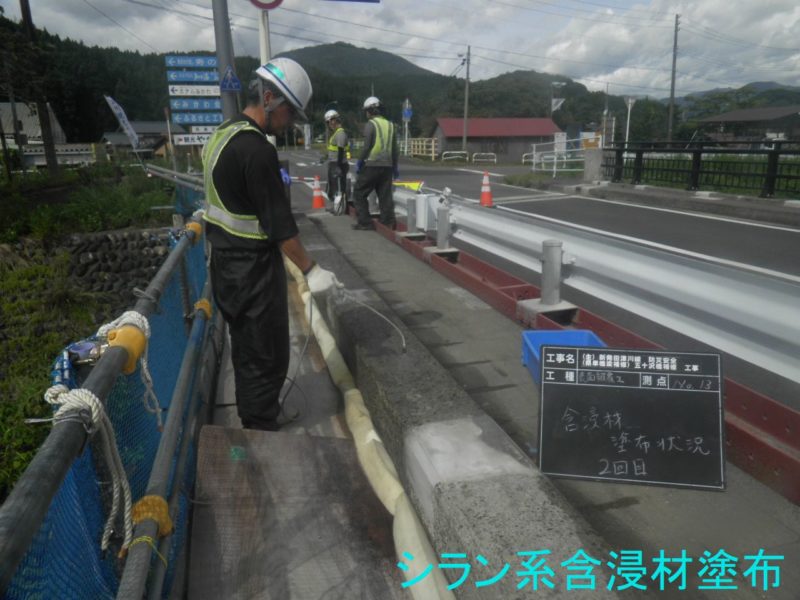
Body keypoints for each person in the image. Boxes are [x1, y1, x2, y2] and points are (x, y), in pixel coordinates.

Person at [202, 57, 342, 431]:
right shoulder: (257, 151)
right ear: (268, 98)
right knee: (266, 354)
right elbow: (281, 228)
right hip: (252, 273)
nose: (290, 122)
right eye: (289, 113)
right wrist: (312, 271)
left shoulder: (223, 135)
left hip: (225, 266)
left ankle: (256, 415)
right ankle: (261, 429)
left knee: (247, 350)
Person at [352, 96, 399, 230]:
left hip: (372, 164)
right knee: (385, 195)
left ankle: (365, 223)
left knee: (359, 193)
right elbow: (395, 149)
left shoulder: (371, 124)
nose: (366, 114)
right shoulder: (391, 125)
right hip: (388, 166)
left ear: (371, 110)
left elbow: (367, 146)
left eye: (367, 111)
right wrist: (395, 167)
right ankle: (387, 223)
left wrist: (361, 161)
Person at [323, 109, 350, 214]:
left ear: (333, 120)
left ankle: (339, 209)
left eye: (329, 122)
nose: (329, 125)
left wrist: (338, 166)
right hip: (333, 162)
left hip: (338, 163)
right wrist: (326, 156)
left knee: (338, 187)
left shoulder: (340, 133)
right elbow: (333, 149)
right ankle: (335, 207)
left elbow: (340, 150)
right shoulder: (336, 133)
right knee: (333, 187)